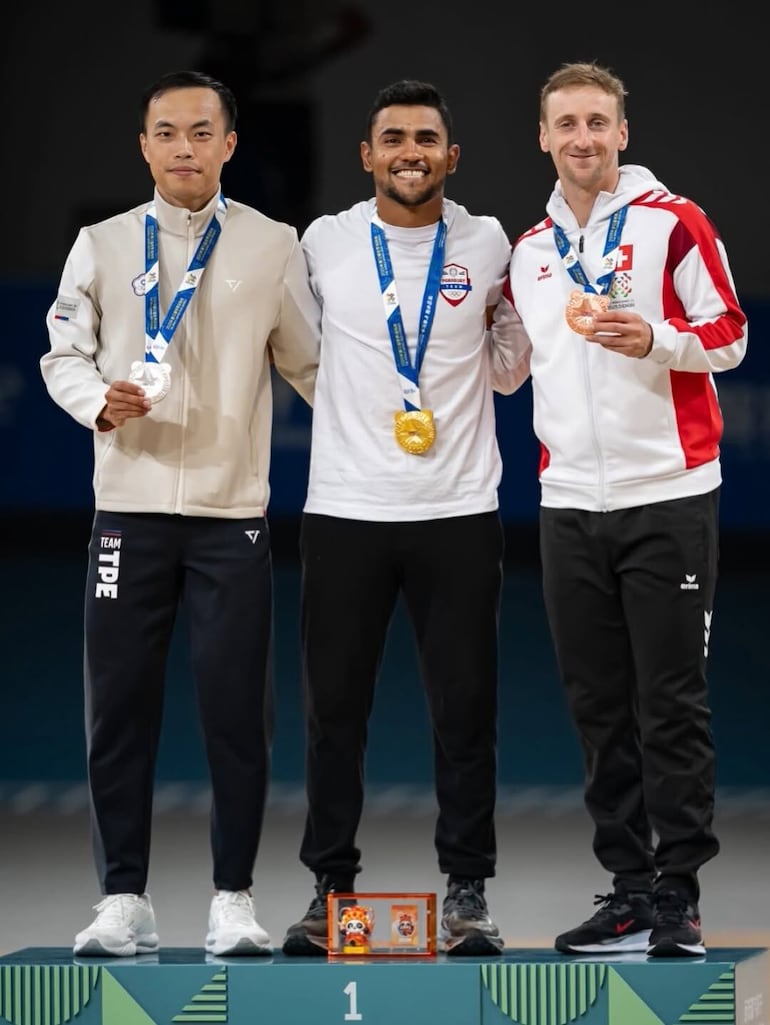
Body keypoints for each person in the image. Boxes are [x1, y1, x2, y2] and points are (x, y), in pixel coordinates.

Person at [40, 69, 320, 957]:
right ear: (145, 144)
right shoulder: (101, 243)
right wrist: (97, 399)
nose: (185, 148)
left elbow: (314, 368)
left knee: (237, 712)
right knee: (117, 710)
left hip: (232, 518)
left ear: (231, 144)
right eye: (168, 132)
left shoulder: (273, 246)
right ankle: (123, 897)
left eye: (203, 132)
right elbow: (62, 352)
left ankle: (232, 898)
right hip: (128, 514)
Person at [280, 79, 530, 958]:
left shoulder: (490, 242)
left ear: (451, 156)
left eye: (426, 138)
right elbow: (297, 347)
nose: (410, 151)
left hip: (459, 509)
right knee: (333, 712)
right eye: (393, 138)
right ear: (367, 155)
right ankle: (330, 892)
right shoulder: (326, 242)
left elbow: (506, 366)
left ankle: (467, 893)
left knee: (465, 711)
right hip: (345, 508)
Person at [504, 61, 748, 958]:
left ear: (623, 133)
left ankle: (680, 891)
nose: (582, 138)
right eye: (565, 122)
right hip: (567, 500)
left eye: (598, 122)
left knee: (671, 704)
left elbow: (731, 333)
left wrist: (658, 339)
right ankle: (630, 888)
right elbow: (508, 361)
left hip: (669, 496)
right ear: (542, 136)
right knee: (598, 707)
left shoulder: (673, 224)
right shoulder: (529, 253)